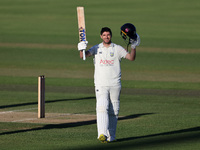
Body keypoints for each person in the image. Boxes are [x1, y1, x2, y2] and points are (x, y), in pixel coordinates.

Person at [77, 24, 140, 143]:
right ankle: (102, 134)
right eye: (104, 35)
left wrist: (134, 47)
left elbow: (131, 58)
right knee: (102, 107)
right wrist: (81, 48)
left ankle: (112, 137)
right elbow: (83, 56)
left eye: (108, 35)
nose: (106, 37)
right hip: (101, 84)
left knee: (114, 110)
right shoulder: (96, 48)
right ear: (101, 36)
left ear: (111, 36)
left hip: (115, 84)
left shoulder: (117, 48)